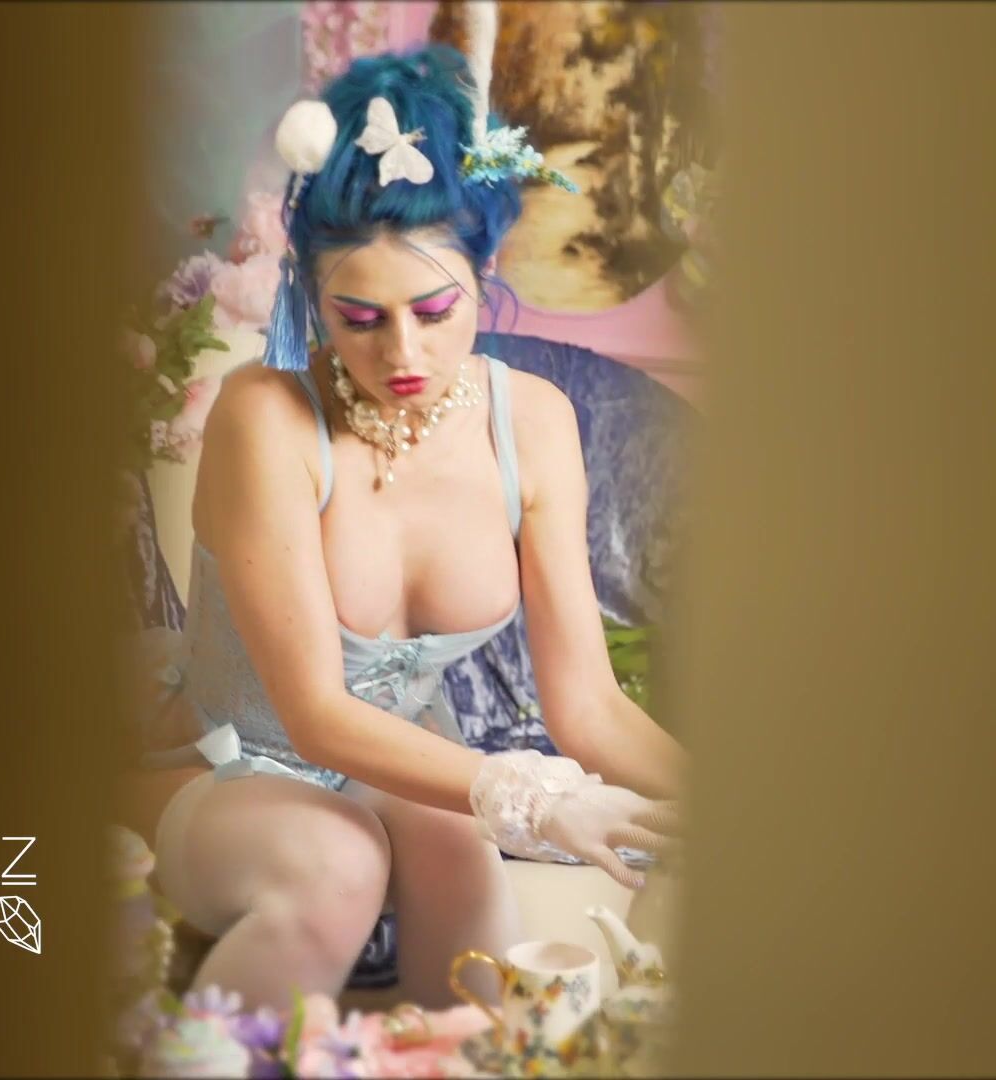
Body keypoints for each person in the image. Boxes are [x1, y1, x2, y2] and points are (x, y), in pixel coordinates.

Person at [140, 41, 687, 1013]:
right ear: (311, 291)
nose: (403, 353)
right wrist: (541, 799)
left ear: (484, 269)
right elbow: (313, 714)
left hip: (405, 771)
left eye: (435, 311)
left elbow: (588, 707)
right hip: (233, 764)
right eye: (359, 319)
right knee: (336, 865)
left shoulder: (534, 423)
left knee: (466, 882)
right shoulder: (265, 415)